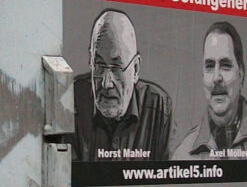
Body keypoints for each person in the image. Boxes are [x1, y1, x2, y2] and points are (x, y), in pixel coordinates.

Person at [71, 9, 172, 161]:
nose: (106, 83)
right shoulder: (72, 101)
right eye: (99, 65)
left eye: (116, 67)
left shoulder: (158, 108)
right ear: (90, 61)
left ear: (135, 69)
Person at [172, 21, 247, 159]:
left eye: (225, 65)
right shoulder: (183, 154)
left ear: (241, 74)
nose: (216, 77)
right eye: (209, 66)